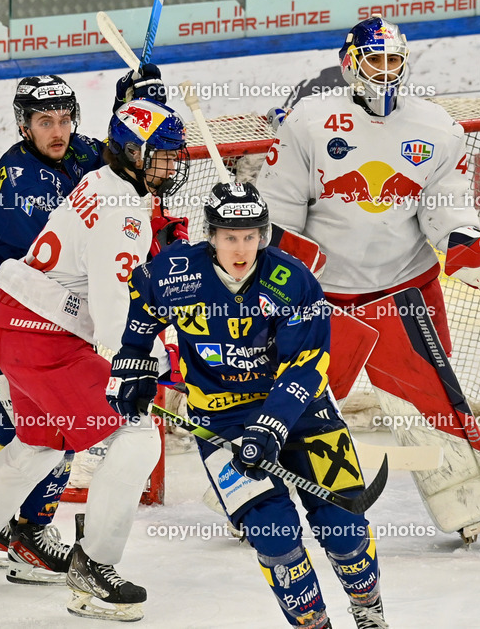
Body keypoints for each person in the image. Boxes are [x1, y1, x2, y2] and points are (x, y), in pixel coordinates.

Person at [257, 16, 480, 539]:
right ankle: (253, 499)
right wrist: (271, 285)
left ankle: (463, 504)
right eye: (374, 60)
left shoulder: (437, 128)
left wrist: (479, 250)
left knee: (432, 396)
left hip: (402, 287)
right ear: (350, 63)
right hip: (323, 295)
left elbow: (446, 215)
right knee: (286, 399)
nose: (385, 72)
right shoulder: (307, 123)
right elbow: (279, 216)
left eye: (393, 60)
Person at [0, 97, 189, 622]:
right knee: (136, 433)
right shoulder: (125, 212)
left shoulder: (102, 179)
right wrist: (158, 365)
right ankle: (95, 569)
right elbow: (115, 321)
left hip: (16, 328)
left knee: (39, 442)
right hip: (47, 338)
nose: (172, 166)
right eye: (163, 156)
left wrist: (139, 96)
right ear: (134, 154)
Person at [115, 182, 387, 629]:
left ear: (263, 234)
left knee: (344, 527)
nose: (240, 249)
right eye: (228, 237)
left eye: (249, 236)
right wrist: (134, 362)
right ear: (211, 236)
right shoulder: (175, 272)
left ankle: (369, 610)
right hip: (221, 422)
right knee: (275, 538)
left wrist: (269, 427)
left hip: (301, 410)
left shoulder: (293, 279)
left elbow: (306, 366)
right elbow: (143, 300)